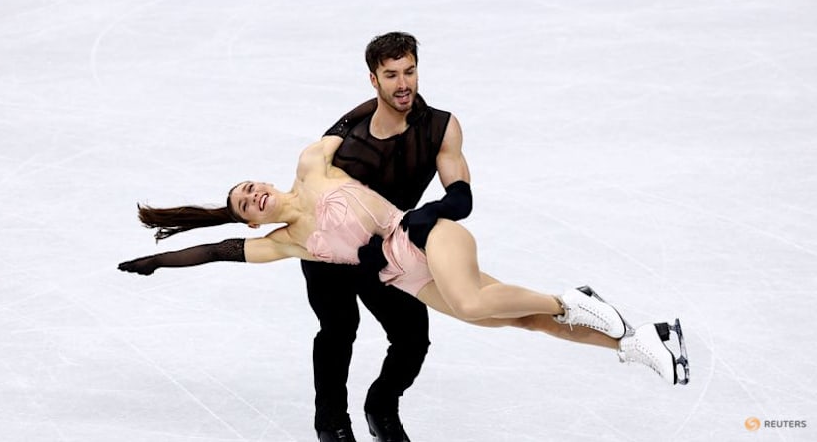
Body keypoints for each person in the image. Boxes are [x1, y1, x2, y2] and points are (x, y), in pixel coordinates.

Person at [117, 137, 691, 401]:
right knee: (515, 320)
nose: (254, 197)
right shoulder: (288, 244)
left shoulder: (312, 166)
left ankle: (570, 298)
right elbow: (217, 251)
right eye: (244, 205)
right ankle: (640, 341)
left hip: (427, 235)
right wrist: (159, 261)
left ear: (264, 181)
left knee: (471, 304)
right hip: (410, 279)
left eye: (251, 188)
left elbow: (369, 118)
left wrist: (399, 90)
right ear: (248, 220)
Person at [302, 32, 471, 442]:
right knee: (339, 329)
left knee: (413, 337)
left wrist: (423, 215)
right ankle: (332, 424)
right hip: (330, 250)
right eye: (391, 75)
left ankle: (381, 407)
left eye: (409, 72)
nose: (403, 83)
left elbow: (461, 198)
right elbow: (310, 186)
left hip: (387, 251)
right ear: (373, 79)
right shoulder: (347, 137)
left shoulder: (441, 127)